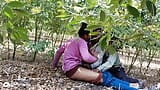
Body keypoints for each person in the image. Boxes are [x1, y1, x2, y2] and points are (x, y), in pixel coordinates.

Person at [52, 23, 138, 90]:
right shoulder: (82, 41)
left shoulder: (72, 40)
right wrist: (95, 57)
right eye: (91, 34)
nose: (91, 37)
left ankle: (132, 86)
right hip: (73, 69)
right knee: (104, 78)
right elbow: (86, 57)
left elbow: (59, 51)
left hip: (71, 68)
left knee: (106, 75)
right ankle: (133, 88)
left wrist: (54, 64)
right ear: (86, 35)